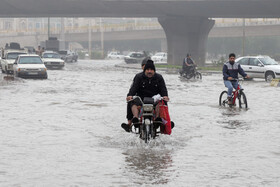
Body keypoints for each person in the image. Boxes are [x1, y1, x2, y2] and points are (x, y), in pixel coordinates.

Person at [122, 60, 170, 132]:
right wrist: (130, 95)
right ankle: (133, 120)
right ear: (144, 70)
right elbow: (133, 88)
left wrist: (165, 96)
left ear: (154, 71)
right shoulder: (138, 77)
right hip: (141, 101)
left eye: (151, 70)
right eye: (147, 69)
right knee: (131, 101)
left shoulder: (159, 78)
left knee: (163, 102)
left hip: (155, 101)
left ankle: (161, 122)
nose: (149, 71)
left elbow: (163, 89)